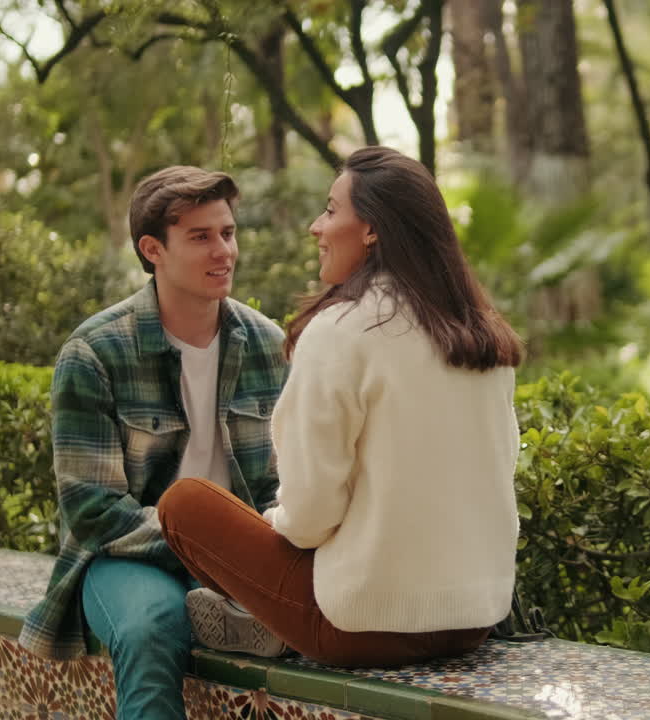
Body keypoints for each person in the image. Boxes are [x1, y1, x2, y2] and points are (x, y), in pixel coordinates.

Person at [157, 145, 523, 668]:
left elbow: (309, 519)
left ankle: (272, 621)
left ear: (371, 229)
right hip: (474, 620)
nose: (316, 226)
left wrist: (269, 525)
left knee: (186, 504)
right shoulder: (484, 335)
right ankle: (267, 621)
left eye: (331, 210)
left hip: (361, 629)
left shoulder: (341, 331)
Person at [18, 166, 288, 719]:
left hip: (240, 556)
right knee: (150, 625)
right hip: (126, 557)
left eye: (228, 233)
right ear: (152, 249)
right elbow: (93, 510)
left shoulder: (268, 345)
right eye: (200, 237)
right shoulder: (94, 353)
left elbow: (282, 484)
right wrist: (206, 555)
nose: (224, 251)